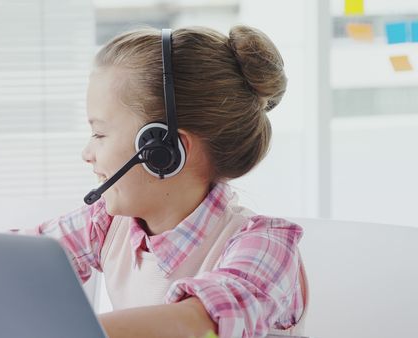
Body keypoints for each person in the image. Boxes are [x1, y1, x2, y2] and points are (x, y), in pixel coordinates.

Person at [34, 26, 307, 338]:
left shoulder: (265, 245)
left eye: (99, 134)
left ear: (162, 150)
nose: (87, 153)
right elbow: (9, 261)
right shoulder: (107, 225)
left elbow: (196, 325)